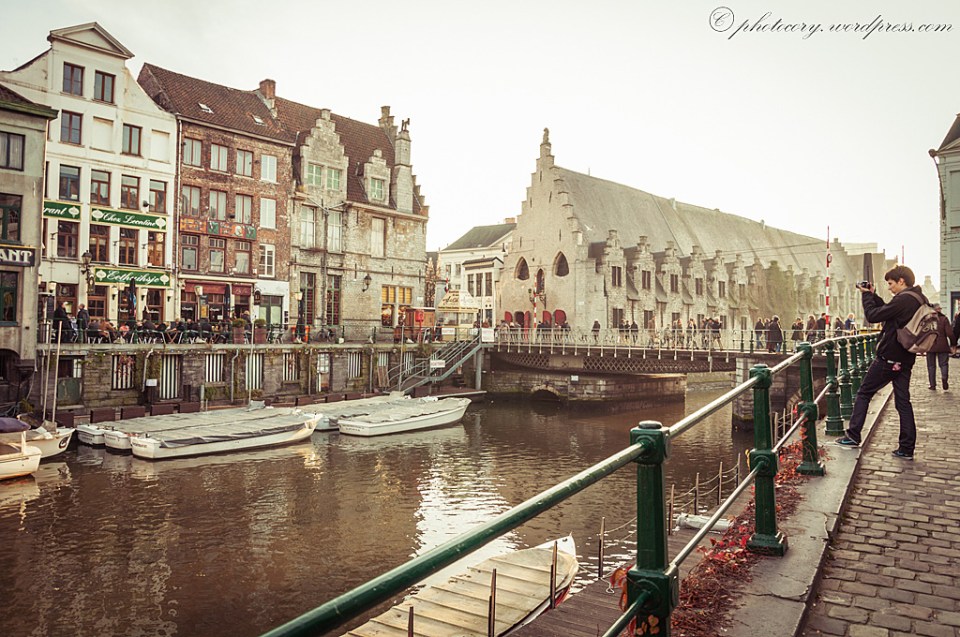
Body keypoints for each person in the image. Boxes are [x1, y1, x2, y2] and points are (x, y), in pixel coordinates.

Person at [837, 265, 926, 459]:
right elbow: (888, 311)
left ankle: (852, 436)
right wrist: (873, 295)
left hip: (889, 358)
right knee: (903, 402)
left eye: (891, 283)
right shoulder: (918, 298)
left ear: (901, 281)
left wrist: (866, 296)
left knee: (864, 392)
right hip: (906, 357)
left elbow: (873, 316)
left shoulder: (903, 300)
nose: (889, 287)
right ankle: (906, 448)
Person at [925, 304, 957, 390]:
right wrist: (953, 344)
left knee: (931, 366)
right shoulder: (944, 319)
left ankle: (932, 385)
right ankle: (944, 378)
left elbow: (922, 333)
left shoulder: (927, 319)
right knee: (943, 364)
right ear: (938, 310)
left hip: (930, 345)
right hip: (942, 345)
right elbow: (950, 333)